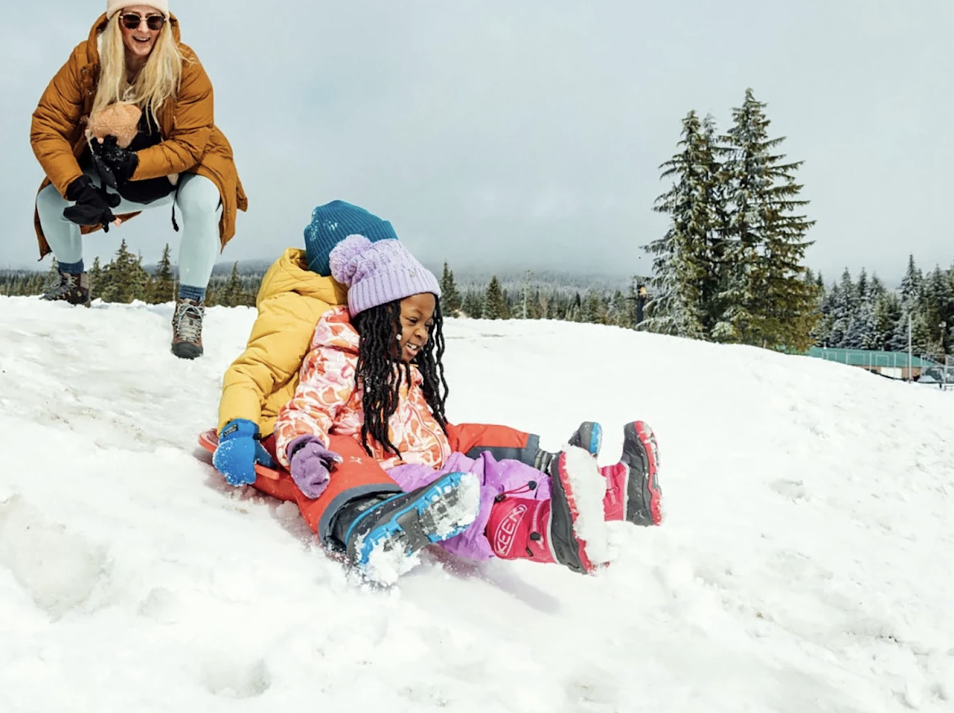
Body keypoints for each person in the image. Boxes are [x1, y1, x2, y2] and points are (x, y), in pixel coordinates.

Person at [270, 235, 664, 582]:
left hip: (440, 463)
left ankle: (617, 490)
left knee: (506, 475)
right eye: (412, 320)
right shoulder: (341, 357)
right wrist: (302, 446)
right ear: (376, 313)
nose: (422, 333)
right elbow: (306, 408)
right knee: (471, 505)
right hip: (395, 474)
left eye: (428, 324)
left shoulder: (401, 365)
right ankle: (545, 534)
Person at [209, 201, 600, 494]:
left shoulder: (372, 305)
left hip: (366, 416)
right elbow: (253, 370)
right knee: (352, 460)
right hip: (306, 431)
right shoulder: (300, 307)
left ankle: (551, 462)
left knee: (455, 435)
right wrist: (239, 429)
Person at [30, 0, 247, 359]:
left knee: (202, 203)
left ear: (165, 22)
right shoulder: (87, 62)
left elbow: (191, 145)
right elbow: (47, 126)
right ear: (116, 20)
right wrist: (78, 186)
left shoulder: (186, 67)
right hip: (114, 173)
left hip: (184, 168)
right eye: (132, 19)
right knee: (50, 200)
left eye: (154, 19)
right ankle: (72, 283)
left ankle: (190, 306)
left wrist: (135, 164)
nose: (143, 29)